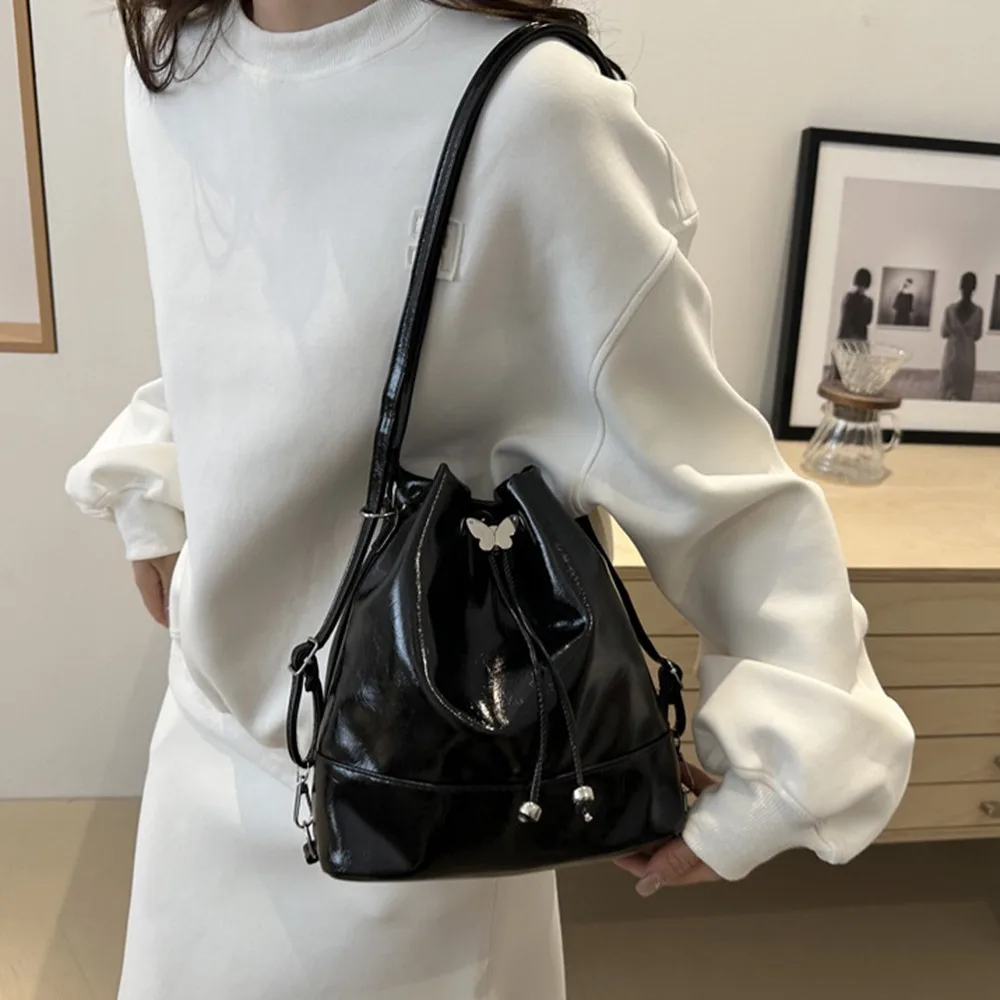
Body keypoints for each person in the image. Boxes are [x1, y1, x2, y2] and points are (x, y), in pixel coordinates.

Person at [65, 2, 915, 997]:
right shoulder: (175, 65)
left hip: (417, 803)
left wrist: (789, 758)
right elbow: (231, 340)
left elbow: (701, 463)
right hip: (199, 765)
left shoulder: (531, 107)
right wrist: (157, 481)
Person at [940, 271, 984, 401]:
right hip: (967, 355)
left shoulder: (950, 310)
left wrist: (956, 333)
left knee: (947, 389)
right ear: (974, 288)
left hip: (952, 352)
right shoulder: (978, 311)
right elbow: (977, 335)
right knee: (964, 391)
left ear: (960, 286)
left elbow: (944, 332)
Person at [837, 267, 874, 341]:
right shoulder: (866, 301)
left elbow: (868, 320)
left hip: (856, 336)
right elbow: (847, 319)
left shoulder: (850, 297)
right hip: (852, 336)